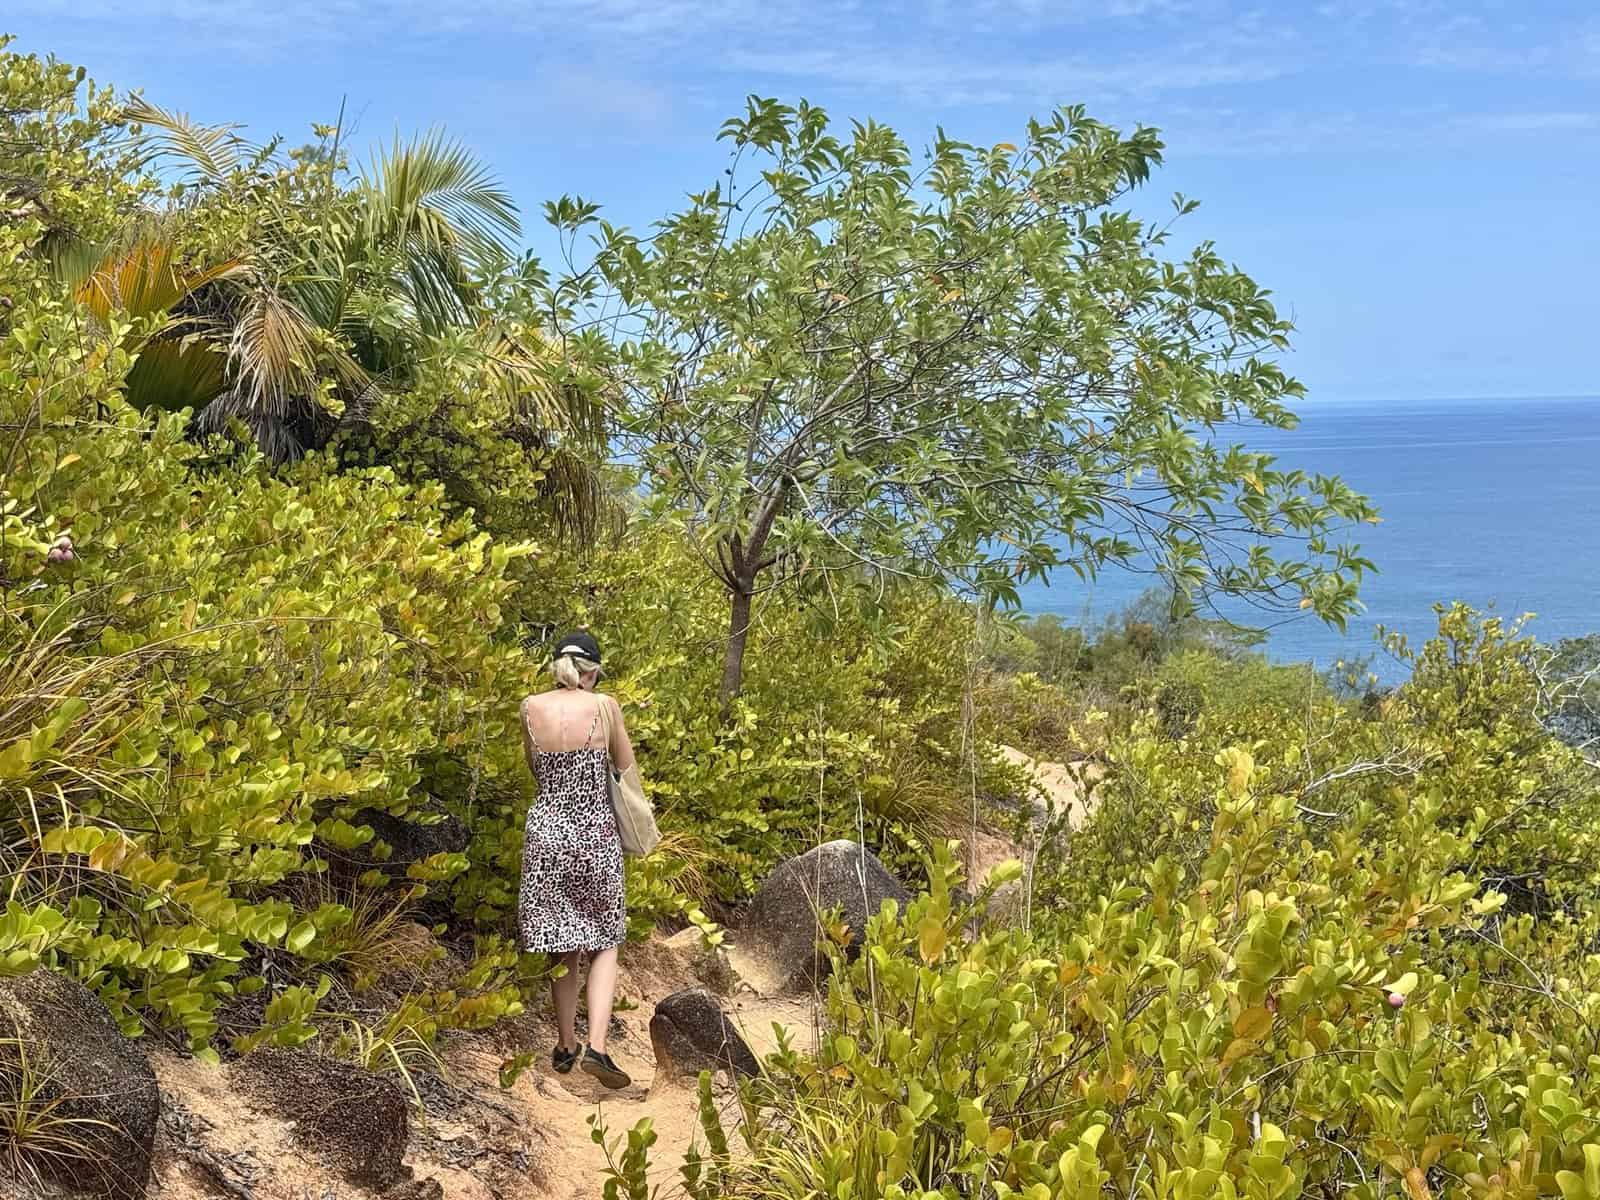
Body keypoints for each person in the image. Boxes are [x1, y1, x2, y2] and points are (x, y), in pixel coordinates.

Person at [517, 629, 635, 1089]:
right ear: (594, 670)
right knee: (605, 939)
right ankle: (599, 1048)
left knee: (562, 940)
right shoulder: (605, 707)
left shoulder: (531, 707)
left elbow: (535, 767)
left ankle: (565, 1044)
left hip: (546, 833)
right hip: (594, 832)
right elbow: (625, 771)